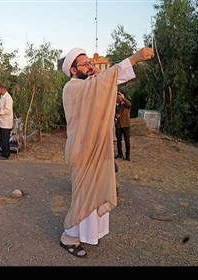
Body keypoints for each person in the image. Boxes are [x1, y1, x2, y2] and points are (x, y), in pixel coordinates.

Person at [59, 47, 154, 257]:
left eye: (90, 63)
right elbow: (104, 81)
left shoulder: (89, 86)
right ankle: (69, 237)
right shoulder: (72, 88)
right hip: (82, 152)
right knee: (83, 196)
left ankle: (91, 234)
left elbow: (104, 82)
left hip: (97, 149)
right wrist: (135, 58)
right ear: (73, 70)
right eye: (85, 64)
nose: (91, 67)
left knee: (98, 190)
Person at [0, 83, 13, 160]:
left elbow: (8, 110)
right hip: (2, 122)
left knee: (5, 139)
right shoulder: (2, 97)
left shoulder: (8, 98)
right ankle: (3, 151)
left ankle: (5, 154)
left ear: (2, 89)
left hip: (6, 122)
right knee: (2, 138)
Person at [115, 91, 131, 161]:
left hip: (126, 125)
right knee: (119, 140)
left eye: (120, 95)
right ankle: (119, 154)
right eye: (118, 96)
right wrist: (116, 116)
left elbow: (129, 104)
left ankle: (127, 155)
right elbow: (114, 114)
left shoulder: (126, 105)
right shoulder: (117, 106)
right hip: (118, 125)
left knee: (127, 141)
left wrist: (123, 98)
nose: (119, 97)